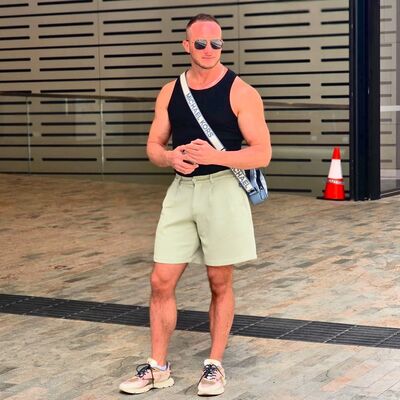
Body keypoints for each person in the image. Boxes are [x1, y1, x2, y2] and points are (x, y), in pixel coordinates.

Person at [119, 13, 271, 397]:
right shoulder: (170, 91)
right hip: (181, 191)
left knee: (219, 281)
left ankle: (214, 365)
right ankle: (158, 367)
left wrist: (214, 156)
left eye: (216, 43)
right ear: (187, 46)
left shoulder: (241, 92)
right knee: (160, 280)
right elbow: (153, 146)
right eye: (200, 43)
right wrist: (170, 158)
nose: (208, 49)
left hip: (223, 191)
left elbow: (262, 153)